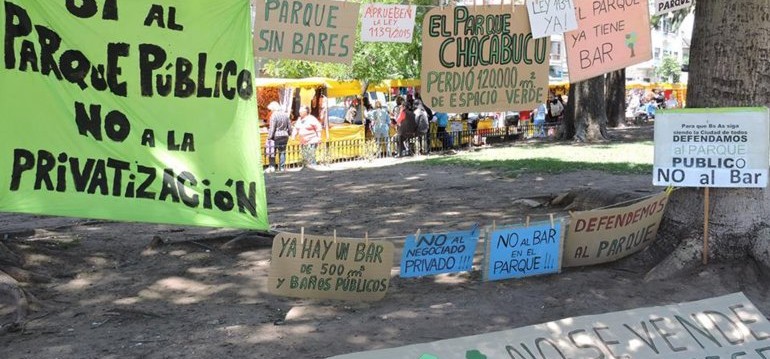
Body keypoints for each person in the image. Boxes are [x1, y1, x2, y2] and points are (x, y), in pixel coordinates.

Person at [266, 101, 291, 172]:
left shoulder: (274, 115)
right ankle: (282, 168)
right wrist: (289, 133)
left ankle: (272, 167)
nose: (270, 111)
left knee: (272, 151)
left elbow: (272, 127)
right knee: (282, 152)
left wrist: (269, 137)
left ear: (273, 109)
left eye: (271, 109)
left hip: (276, 136)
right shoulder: (285, 114)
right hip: (284, 135)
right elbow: (289, 126)